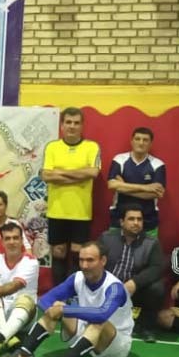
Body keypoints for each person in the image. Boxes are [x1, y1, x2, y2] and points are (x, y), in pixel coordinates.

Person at [1, 242, 133, 357]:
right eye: (81, 260)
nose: (84, 265)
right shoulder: (78, 278)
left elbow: (102, 314)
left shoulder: (115, 287)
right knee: (56, 305)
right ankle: (25, 352)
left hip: (115, 345)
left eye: (90, 260)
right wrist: (55, 311)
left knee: (96, 322)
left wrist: (64, 310)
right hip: (87, 334)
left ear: (103, 261)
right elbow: (45, 299)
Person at [40, 107, 101, 285]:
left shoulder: (91, 147)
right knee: (58, 254)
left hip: (81, 213)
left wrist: (60, 173)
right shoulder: (52, 147)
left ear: (82, 126)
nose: (72, 126)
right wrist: (79, 175)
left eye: (76, 123)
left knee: (78, 257)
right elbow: (46, 175)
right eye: (68, 122)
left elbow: (93, 173)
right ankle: (58, 295)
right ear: (61, 125)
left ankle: (75, 294)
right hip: (56, 211)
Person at [97, 203, 164, 343]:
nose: (136, 223)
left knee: (157, 288)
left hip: (135, 290)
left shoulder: (152, 243)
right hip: (108, 287)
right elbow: (96, 260)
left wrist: (135, 282)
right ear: (122, 222)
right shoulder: (106, 238)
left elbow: (156, 268)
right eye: (131, 219)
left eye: (139, 219)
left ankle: (146, 328)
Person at [0, 223, 39, 353]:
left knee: (25, 298)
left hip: (23, 321)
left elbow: (15, 286)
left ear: (22, 241)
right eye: (7, 238)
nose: (12, 242)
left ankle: (1, 337)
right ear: (2, 242)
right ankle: (8, 336)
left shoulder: (31, 262)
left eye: (15, 238)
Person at [107, 127, 166, 236]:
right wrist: (145, 188)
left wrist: (123, 186)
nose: (141, 143)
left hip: (148, 219)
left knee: (148, 248)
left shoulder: (158, 164)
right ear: (132, 141)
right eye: (137, 139)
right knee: (113, 247)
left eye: (145, 140)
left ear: (151, 144)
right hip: (119, 216)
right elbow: (112, 185)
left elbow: (156, 193)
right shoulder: (119, 159)